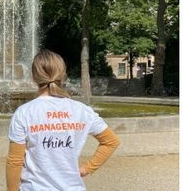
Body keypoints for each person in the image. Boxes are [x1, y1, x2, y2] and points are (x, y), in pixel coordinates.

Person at [6, 49, 120, 191]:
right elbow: (111, 141)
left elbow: (15, 161)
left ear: (34, 78)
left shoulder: (25, 113)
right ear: (63, 75)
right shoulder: (81, 110)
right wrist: (87, 169)